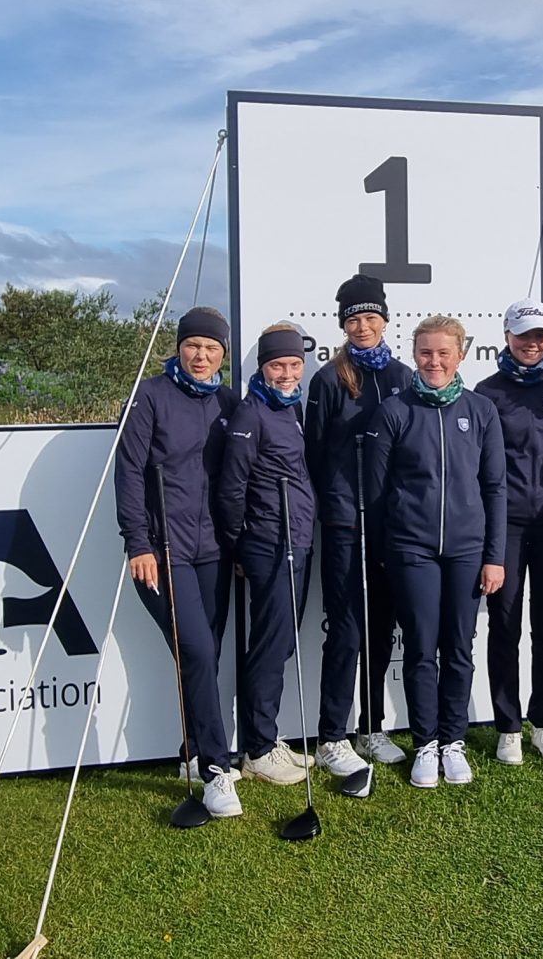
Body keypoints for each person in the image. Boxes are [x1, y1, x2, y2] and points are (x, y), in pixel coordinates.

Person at [362, 315, 507, 788]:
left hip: (467, 550)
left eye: (444, 353)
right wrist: (385, 551)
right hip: (412, 549)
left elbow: (495, 487)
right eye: (425, 352)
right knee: (422, 648)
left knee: (459, 648)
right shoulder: (394, 411)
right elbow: (376, 492)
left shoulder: (481, 411)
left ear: (460, 355)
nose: (434, 361)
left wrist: (494, 555)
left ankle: (453, 740)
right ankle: (426, 742)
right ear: (414, 354)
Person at [116, 307, 242, 817]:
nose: (201, 356)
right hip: (162, 548)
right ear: (179, 347)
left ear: (223, 355)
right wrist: (137, 543)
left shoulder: (228, 401)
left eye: (211, 348)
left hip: (214, 549)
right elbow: (128, 471)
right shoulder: (150, 395)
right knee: (196, 650)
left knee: (205, 653)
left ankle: (191, 751)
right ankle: (216, 769)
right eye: (193, 345)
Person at [304, 274, 415, 778]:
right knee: (346, 629)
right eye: (354, 319)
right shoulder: (330, 380)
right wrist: (334, 504)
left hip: (391, 525)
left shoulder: (403, 376)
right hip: (346, 523)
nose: (363, 326)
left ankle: (371, 727)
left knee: (381, 627)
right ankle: (333, 736)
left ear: (385, 321)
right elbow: (313, 453)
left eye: (371, 317)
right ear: (343, 325)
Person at [471, 298, 543, 766]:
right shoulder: (487, 392)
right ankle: (508, 727)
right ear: (507, 336)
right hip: (508, 526)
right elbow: (479, 467)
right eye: (523, 335)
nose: (532, 344)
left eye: (540, 336)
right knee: (504, 625)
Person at [214, 322, 317, 786]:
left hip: (298, 537)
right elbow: (231, 489)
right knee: (270, 643)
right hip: (269, 542)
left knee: (282, 641)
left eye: (295, 364)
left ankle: (268, 736)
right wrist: (239, 543)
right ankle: (257, 749)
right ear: (262, 367)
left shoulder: (291, 407)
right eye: (278, 365)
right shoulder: (250, 414)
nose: (288, 373)